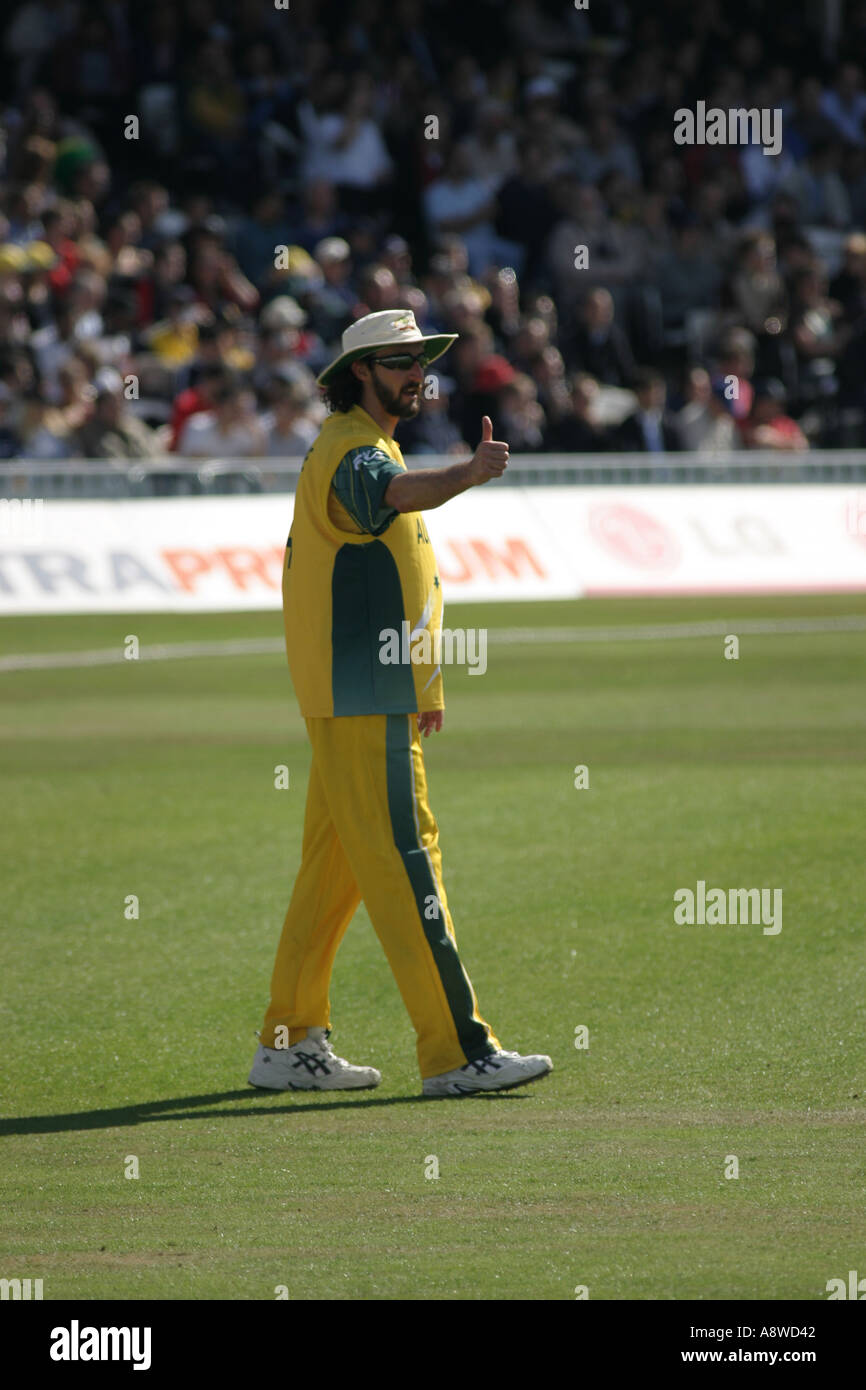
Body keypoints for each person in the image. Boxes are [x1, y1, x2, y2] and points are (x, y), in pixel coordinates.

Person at [248, 308, 553, 1098]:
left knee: (336, 868)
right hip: (361, 693)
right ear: (358, 373)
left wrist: (425, 682)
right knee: (406, 857)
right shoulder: (355, 449)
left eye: (420, 359)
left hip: (363, 689)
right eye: (397, 361)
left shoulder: (363, 443)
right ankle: (455, 1052)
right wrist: (468, 473)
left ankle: (290, 1040)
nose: (414, 373)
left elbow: (396, 573)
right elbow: (393, 496)